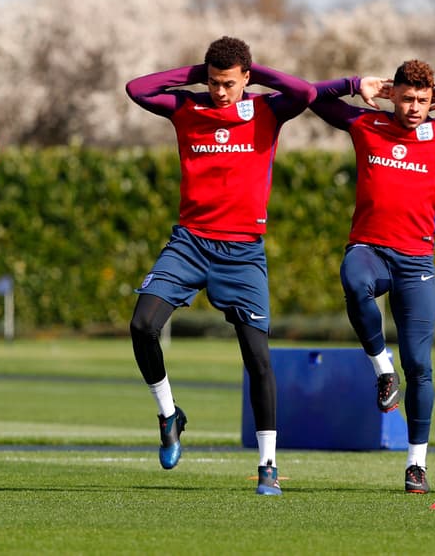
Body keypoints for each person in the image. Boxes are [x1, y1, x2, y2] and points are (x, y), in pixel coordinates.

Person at [309, 60, 435, 494]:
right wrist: (353, 85)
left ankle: (416, 464)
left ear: (431, 97)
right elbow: (310, 97)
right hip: (370, 248)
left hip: (417, 262)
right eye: (406, 97)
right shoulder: (367, 124)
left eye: (423, 99)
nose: (415, 107)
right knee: (353, 281)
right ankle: (383, 370)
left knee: (420, 367)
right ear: (392, 94)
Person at [125, 36, 315, 496]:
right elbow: (137, 88)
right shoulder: (188, 109)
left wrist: (257, 75)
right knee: (142, 325)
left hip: (244, 252)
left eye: (228, 83)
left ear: (246, 78)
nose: (220, 92)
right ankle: (169, 414)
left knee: (257, 359)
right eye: (213, 82)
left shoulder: (268, 111)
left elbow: (306, 93)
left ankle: (267, 466)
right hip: (189, 243)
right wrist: (195, 74)